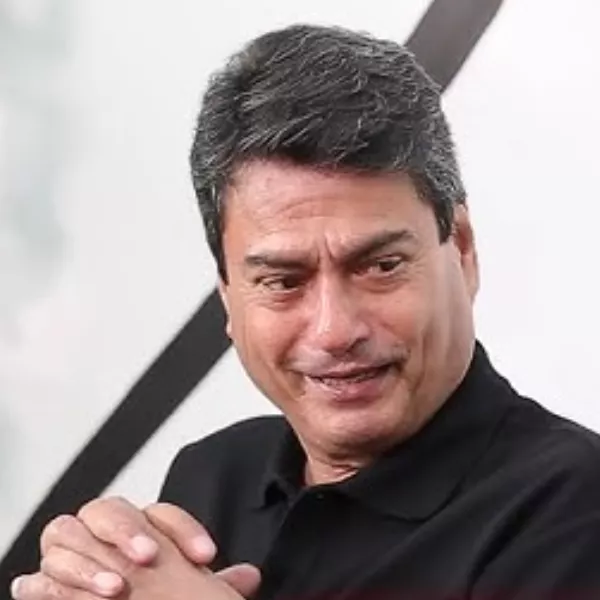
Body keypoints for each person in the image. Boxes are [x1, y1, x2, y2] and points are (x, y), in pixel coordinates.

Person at [11, 23, 600, 600]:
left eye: (381, 266)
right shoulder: (213, 475)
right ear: (227, 295)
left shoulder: (574, 504)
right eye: (282, 281)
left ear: (463, 250)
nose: (335, 329)